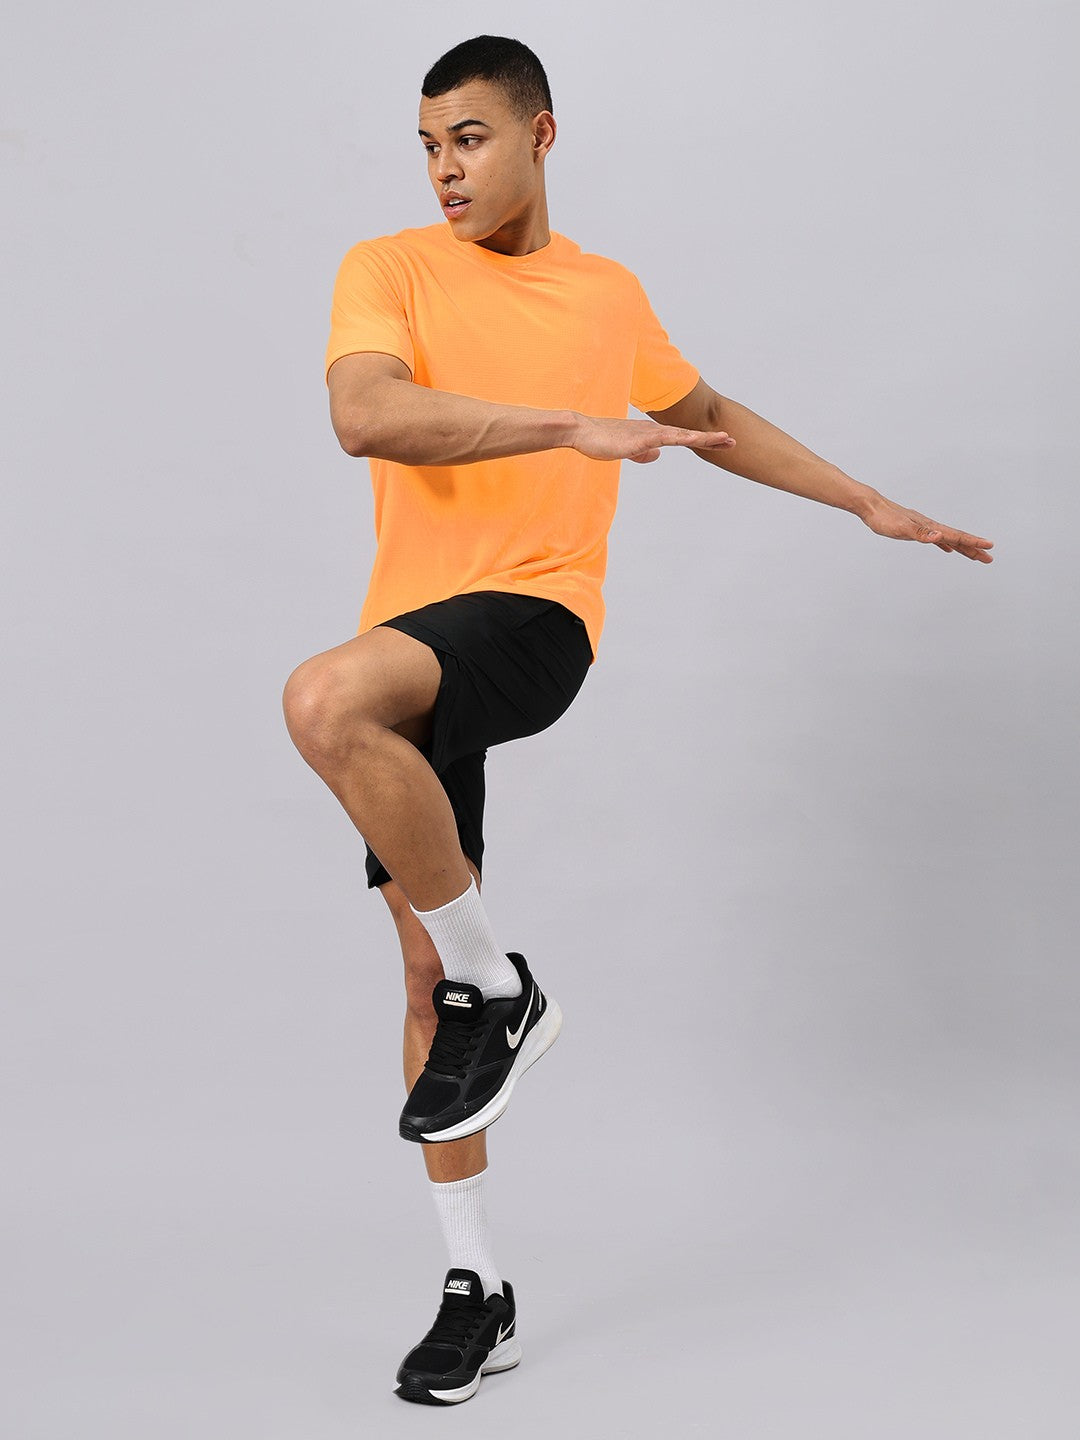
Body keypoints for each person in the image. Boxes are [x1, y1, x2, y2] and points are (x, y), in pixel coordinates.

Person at [282, 34, 994, 1407]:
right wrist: (566, 426)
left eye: (470, 139)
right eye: (428, 145)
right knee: (426, 983)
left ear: (540, 135)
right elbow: (365, 415)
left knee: (323, 699)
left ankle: (506, 985)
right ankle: (475, 1288)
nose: (444, 170)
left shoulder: (605, 293)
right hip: (411, 639)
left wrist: (866, 501)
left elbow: (706, 411)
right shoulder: (387, 268)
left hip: (536, 614)